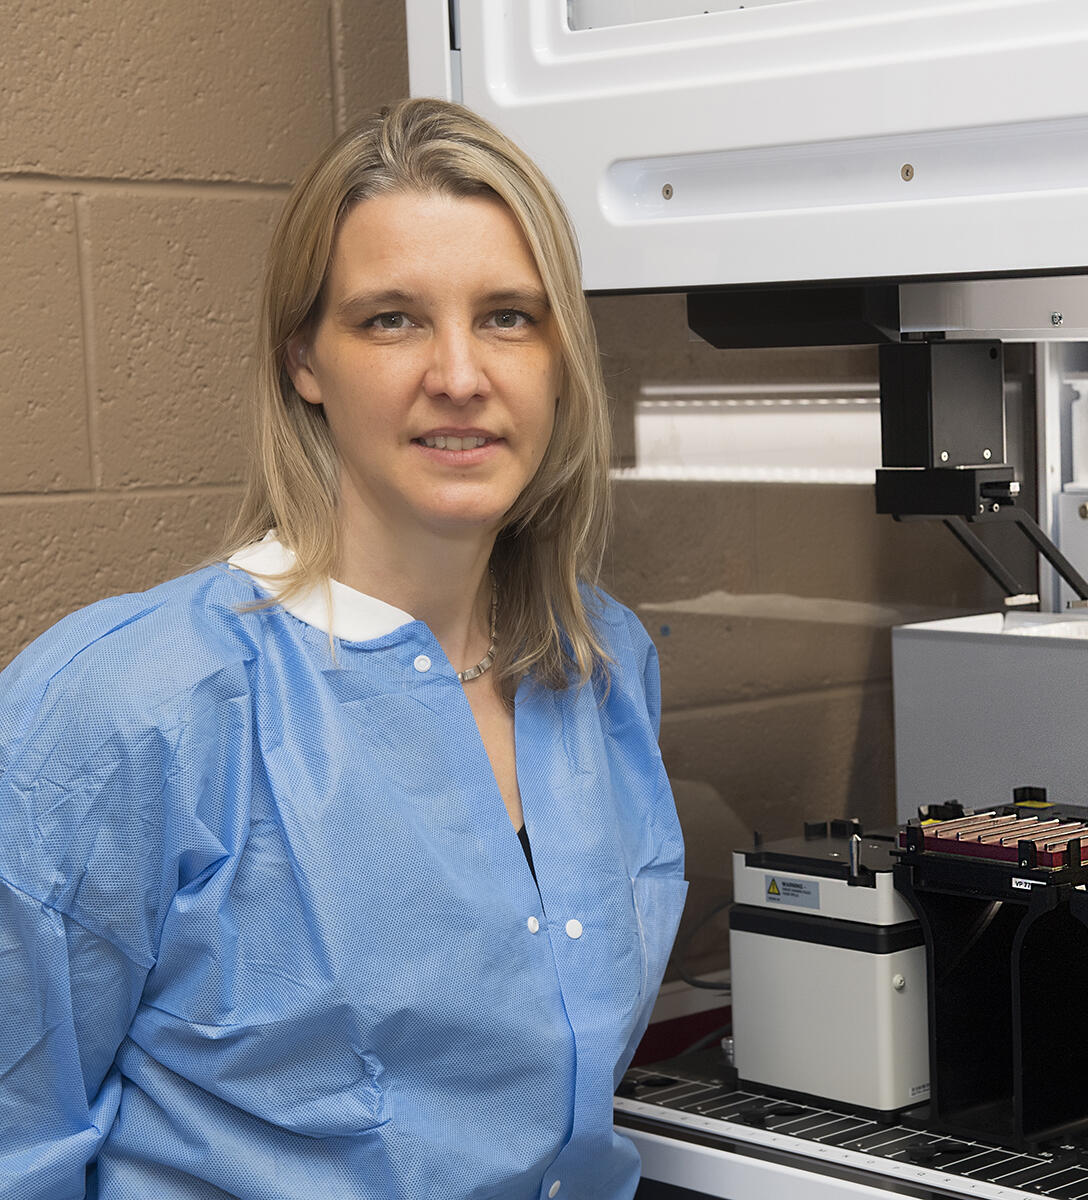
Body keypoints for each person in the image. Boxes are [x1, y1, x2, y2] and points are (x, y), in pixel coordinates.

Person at [0, 99, 686, 1198]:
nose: (459, 374)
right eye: (391, 320)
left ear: (561, 357)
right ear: (304, 361)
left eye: (509, 317)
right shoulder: (129, 705)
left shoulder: (602, 663)